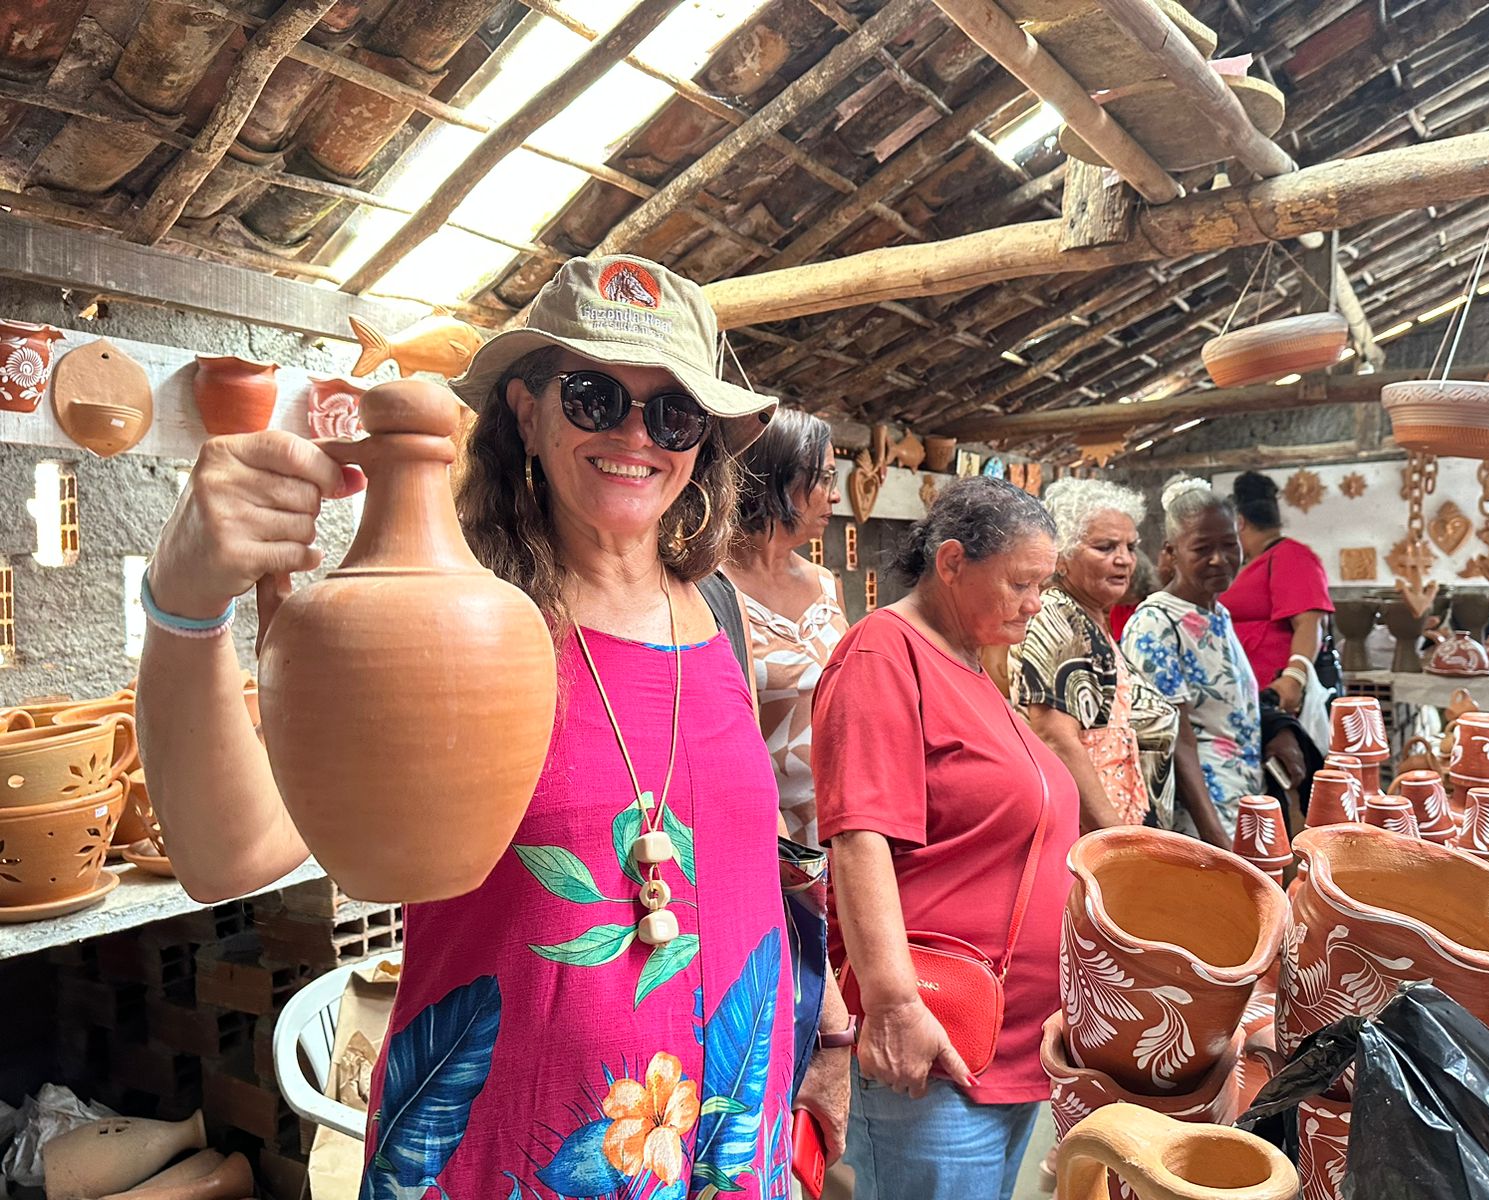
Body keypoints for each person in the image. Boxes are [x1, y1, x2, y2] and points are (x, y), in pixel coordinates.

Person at [136, 255, 848, 1196]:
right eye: (596, 396)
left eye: (674, 413)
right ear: (525, 410)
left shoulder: (717, 612)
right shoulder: (452, 621)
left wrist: (828, 1025)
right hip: (514, 1150)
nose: (638, 434)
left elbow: (738, 862)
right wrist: (184, 607)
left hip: (723, 1146)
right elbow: (231, 853)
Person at [812, 477, 1080, 1200]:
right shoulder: (882, 654)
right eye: (1022, 583)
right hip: (935, 1036)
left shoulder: (970, 662)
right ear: (953, 561)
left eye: (1044, 586)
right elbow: (858, 837)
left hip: (1004, 1038)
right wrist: (895, 1006)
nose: (1037, 603)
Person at [1014, 478, 1205, 840]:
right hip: (1098, 845)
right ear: (1063, 556)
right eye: (1105, 547)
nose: (1124, 559)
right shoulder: (1058, 616)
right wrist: (1119, 843)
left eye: (1130, 547)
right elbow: (1056, 738)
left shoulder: (1089, 619)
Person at [1121, 477, 1303, 842]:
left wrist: (1275, 729)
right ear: (1171, 552)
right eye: (1202, 548)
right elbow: (1175, 739)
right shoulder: (1157, 624)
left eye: (1229, 545)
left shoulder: (1216, 614)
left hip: (1243, 799)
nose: (1220, 559)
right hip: (1201, 817)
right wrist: (1213, 835)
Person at [724, 408, 848, 849]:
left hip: (839, 827)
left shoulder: (825, 584)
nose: (835, 497)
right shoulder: (708, 590)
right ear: (775, 478)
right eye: (824, 478)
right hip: (766, 839)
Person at [1221, 471, 1334, 722]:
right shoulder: (1253, 563)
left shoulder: (1291, 557)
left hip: (1275, 699)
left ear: (1239, 522)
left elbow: (1310, 622)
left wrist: (1295, 676)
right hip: (1244, 697)